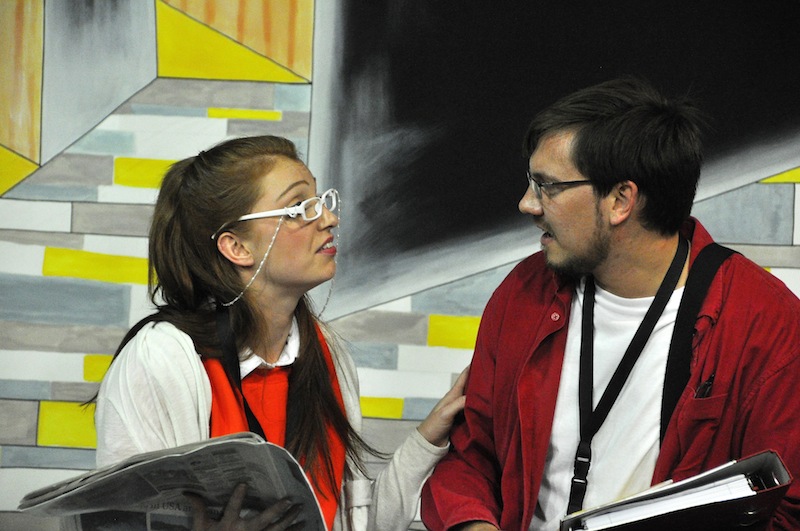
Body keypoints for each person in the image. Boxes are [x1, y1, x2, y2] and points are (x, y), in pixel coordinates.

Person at [421, 77, 800, 530]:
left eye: (547, 186)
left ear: (621, 200)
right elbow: (472, 459)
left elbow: (785, 509)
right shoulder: (523, 292)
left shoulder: (766, 324)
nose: (527, 204)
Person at [94, 135, 468, 531]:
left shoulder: (327, 353)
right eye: (299, 208)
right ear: (237, 247)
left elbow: (350, 523)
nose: (329, 218)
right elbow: (121, 522)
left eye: (321, 201)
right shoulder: (160, 359)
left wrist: (428, 439)